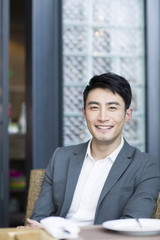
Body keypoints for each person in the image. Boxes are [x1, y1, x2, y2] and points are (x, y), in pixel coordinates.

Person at [26, 72, 160, 227]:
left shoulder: (145, 166)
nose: (103, 117)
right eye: (94, 107)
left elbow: (131, 226)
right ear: (84, 113)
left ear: (127, 114)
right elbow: (39, 219)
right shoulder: (61, 157)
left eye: (112, 107)